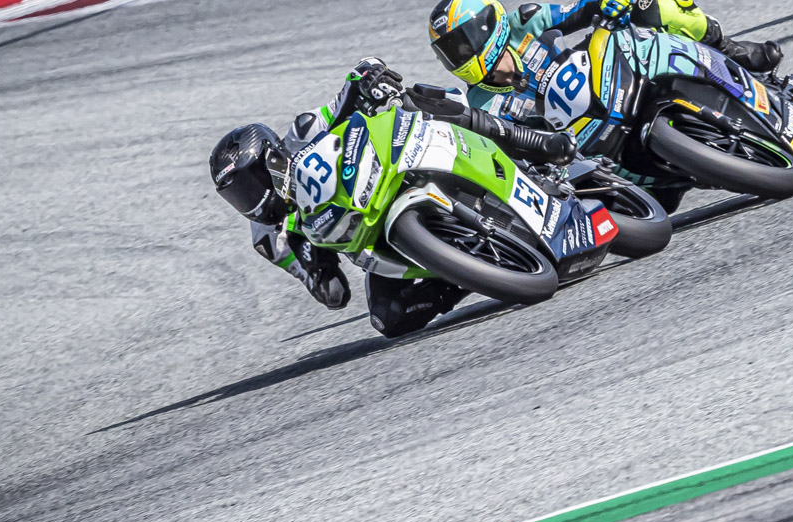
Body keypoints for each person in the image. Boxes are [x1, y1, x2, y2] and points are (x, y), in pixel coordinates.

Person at [209, 58, 575, 338]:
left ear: (270, 159)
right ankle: (468, 273)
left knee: (419, 98)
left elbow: (348, 93)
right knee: (388, 318)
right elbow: (333, 293)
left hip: (389, 168)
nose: (251, 202)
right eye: (238, 197)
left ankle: (535, 142)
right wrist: (318, 272)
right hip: (373, 239)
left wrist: (368, 78)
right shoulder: (270, 239)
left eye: (250, 186)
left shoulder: (302, 131)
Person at [426, 0, 780, 110]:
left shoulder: (524, 22)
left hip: (608, 76)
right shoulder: (479, 104)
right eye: (450, 51)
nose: (460, 55)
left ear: (487, 25)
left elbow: (579, 11)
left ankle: (730, 50)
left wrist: (606, 2)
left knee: (654, 4)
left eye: (462, 43)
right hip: (589, 143)